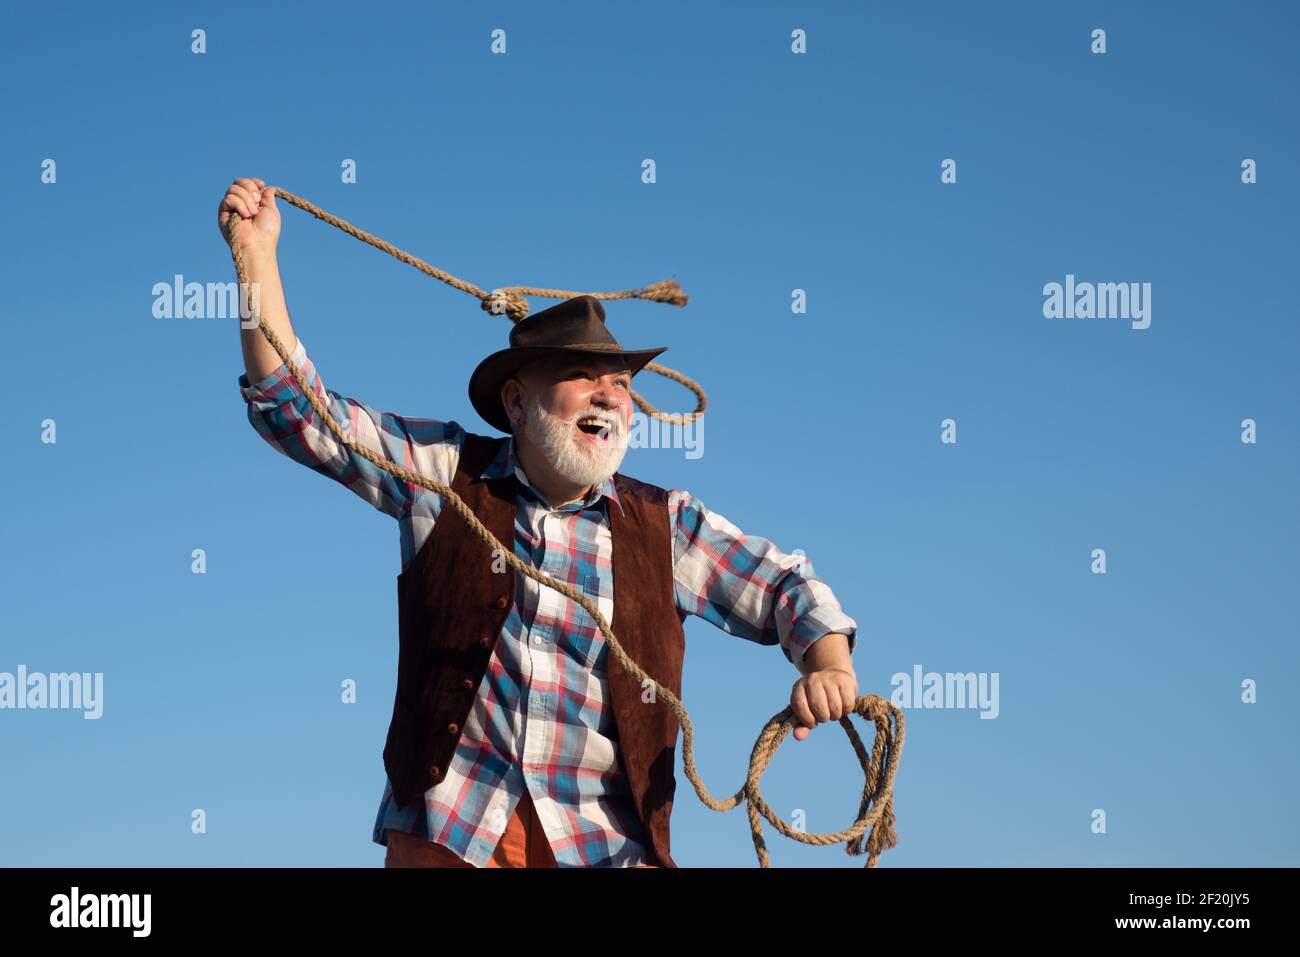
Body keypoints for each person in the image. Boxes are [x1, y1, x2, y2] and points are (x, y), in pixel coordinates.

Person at [219, 176, 861, 868]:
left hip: (607, 848)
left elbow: (787, 586)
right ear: (517, 403)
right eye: (582, 376)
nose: (608, 397)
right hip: (453, 837)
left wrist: (828, 665)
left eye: (620, 383)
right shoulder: (446, 475)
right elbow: (298, 413)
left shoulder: (665, 527)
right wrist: (256, 258)